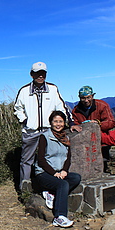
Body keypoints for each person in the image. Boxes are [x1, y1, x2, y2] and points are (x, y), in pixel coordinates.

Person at [14, 62, 74, 193]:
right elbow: (17, 108)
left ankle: (50, 186)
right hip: (31, 131)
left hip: (49, 132)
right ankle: (25, 189)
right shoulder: (24, 91)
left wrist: (71, 122)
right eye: (37, 73)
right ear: (31, 74)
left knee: (50, 158)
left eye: (43, 73)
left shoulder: (52, 89)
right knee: (26, 160)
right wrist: (25, 121)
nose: (40, 76)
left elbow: (61, 107)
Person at [33, 110, 81, 227]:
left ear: (64, 123)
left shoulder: (65, 138)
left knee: (76, 177)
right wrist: (54, 173)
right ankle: (59, 216)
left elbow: (68, 158)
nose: (58, 124)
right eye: (55, 121)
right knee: (63, 185)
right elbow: (41, 160)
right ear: (51, 123)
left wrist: (64, 171)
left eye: (61, 121)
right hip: (44, 172)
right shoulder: (45, 137)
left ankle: (51, 193)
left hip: (59, 172)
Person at [72, 85, 115, 172]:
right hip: (85, 143)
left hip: (102, 140)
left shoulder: (102, 105)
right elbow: (76, 124)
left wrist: (97, 124)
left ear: (93, 96)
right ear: (79, 98)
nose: (86, 100)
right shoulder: (76, 110)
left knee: (103, 164)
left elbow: (111, 122)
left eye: (88, 97)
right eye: (83, 98)